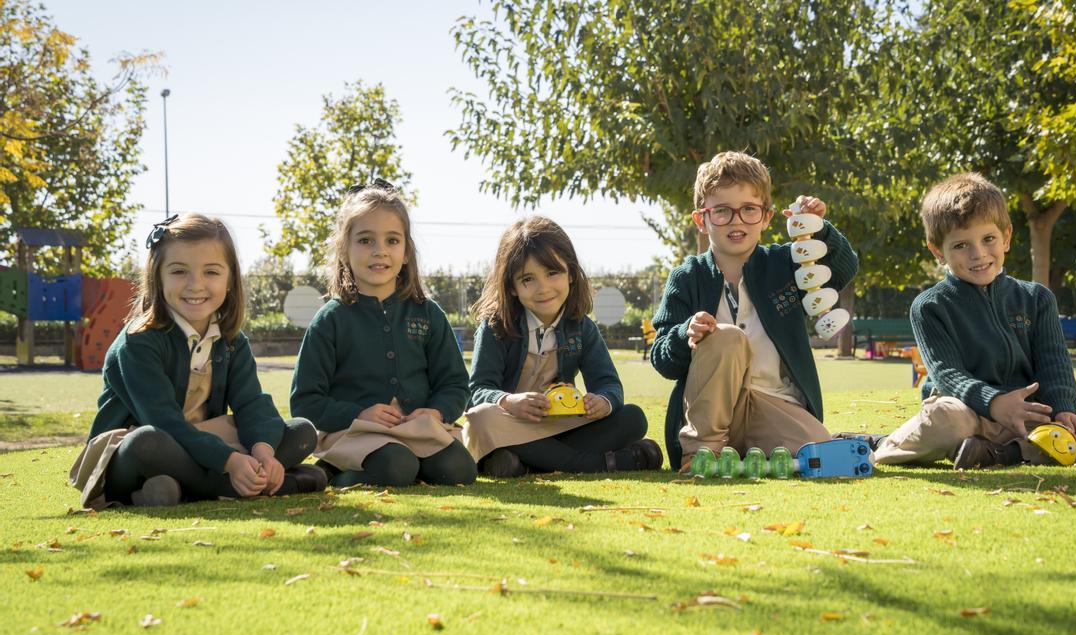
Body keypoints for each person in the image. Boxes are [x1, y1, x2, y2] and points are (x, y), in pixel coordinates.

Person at [873, 172, 1076, 468]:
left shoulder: (1037, 298)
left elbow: (1054, 364)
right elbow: (947, 374)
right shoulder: (929, 306)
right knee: (946, 422)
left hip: (1034, 420)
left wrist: (1064, 410)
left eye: (988, 239)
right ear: (939, 251)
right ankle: (881, 444)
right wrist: (994, 403)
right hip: (969, 416)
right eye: (961, 245)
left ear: (1006, 237)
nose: (978, 254)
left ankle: (1004, 454)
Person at [70, 213, 324, 509]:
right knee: (148, 441)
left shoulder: (231, 340)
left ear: (230, 280)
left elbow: (251, 402)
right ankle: (254, 486)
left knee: (302, 431)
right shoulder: (139, 341)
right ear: (158, 277)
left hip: (203, 444)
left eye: (211, 272)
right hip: (134, 450)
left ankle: (174, 490)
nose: (195, 285)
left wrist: (263, 452)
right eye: (179, 271)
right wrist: (229, 461)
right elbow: (164, 421)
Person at [649, 151, 859, 472]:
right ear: (701, 220)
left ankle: (747, 454)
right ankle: (701, 453)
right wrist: (686, 334)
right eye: (722, 211)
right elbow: (663, 359)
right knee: (727, 338)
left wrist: (818, 228)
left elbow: (843, 268)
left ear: (767, 217)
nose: (736, 220)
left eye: (749, 209)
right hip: (709, 410)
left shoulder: (786, 264)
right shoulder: (687, 277)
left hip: (773, 401)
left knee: (820, 450)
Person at [290, 180, 476, 488]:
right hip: (355, 432)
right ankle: (332, 472)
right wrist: (359, 413)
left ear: (405, 252)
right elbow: (305, 402)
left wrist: (437, 410)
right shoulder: (330, 319)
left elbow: (455, 383)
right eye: (365, 240)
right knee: (396, 466)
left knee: (460, 470)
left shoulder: (428, 313)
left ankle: (404, 467)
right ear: (345, 250)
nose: (380, 251)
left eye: (392, 240)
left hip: (417, 430)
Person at [463, 216, 662, 477]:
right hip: (507, 424)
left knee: (633, 417)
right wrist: (509, 401)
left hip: (559, 426)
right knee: (481, 418)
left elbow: (609, 384)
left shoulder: (582, 327)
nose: (543, 288)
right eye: (527, 279)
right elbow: (478, 390)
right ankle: (604, 464)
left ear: (570, 274)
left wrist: (603, 401)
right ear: (512, 287)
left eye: (552, 273)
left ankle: (522, 464)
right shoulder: (496, 327)